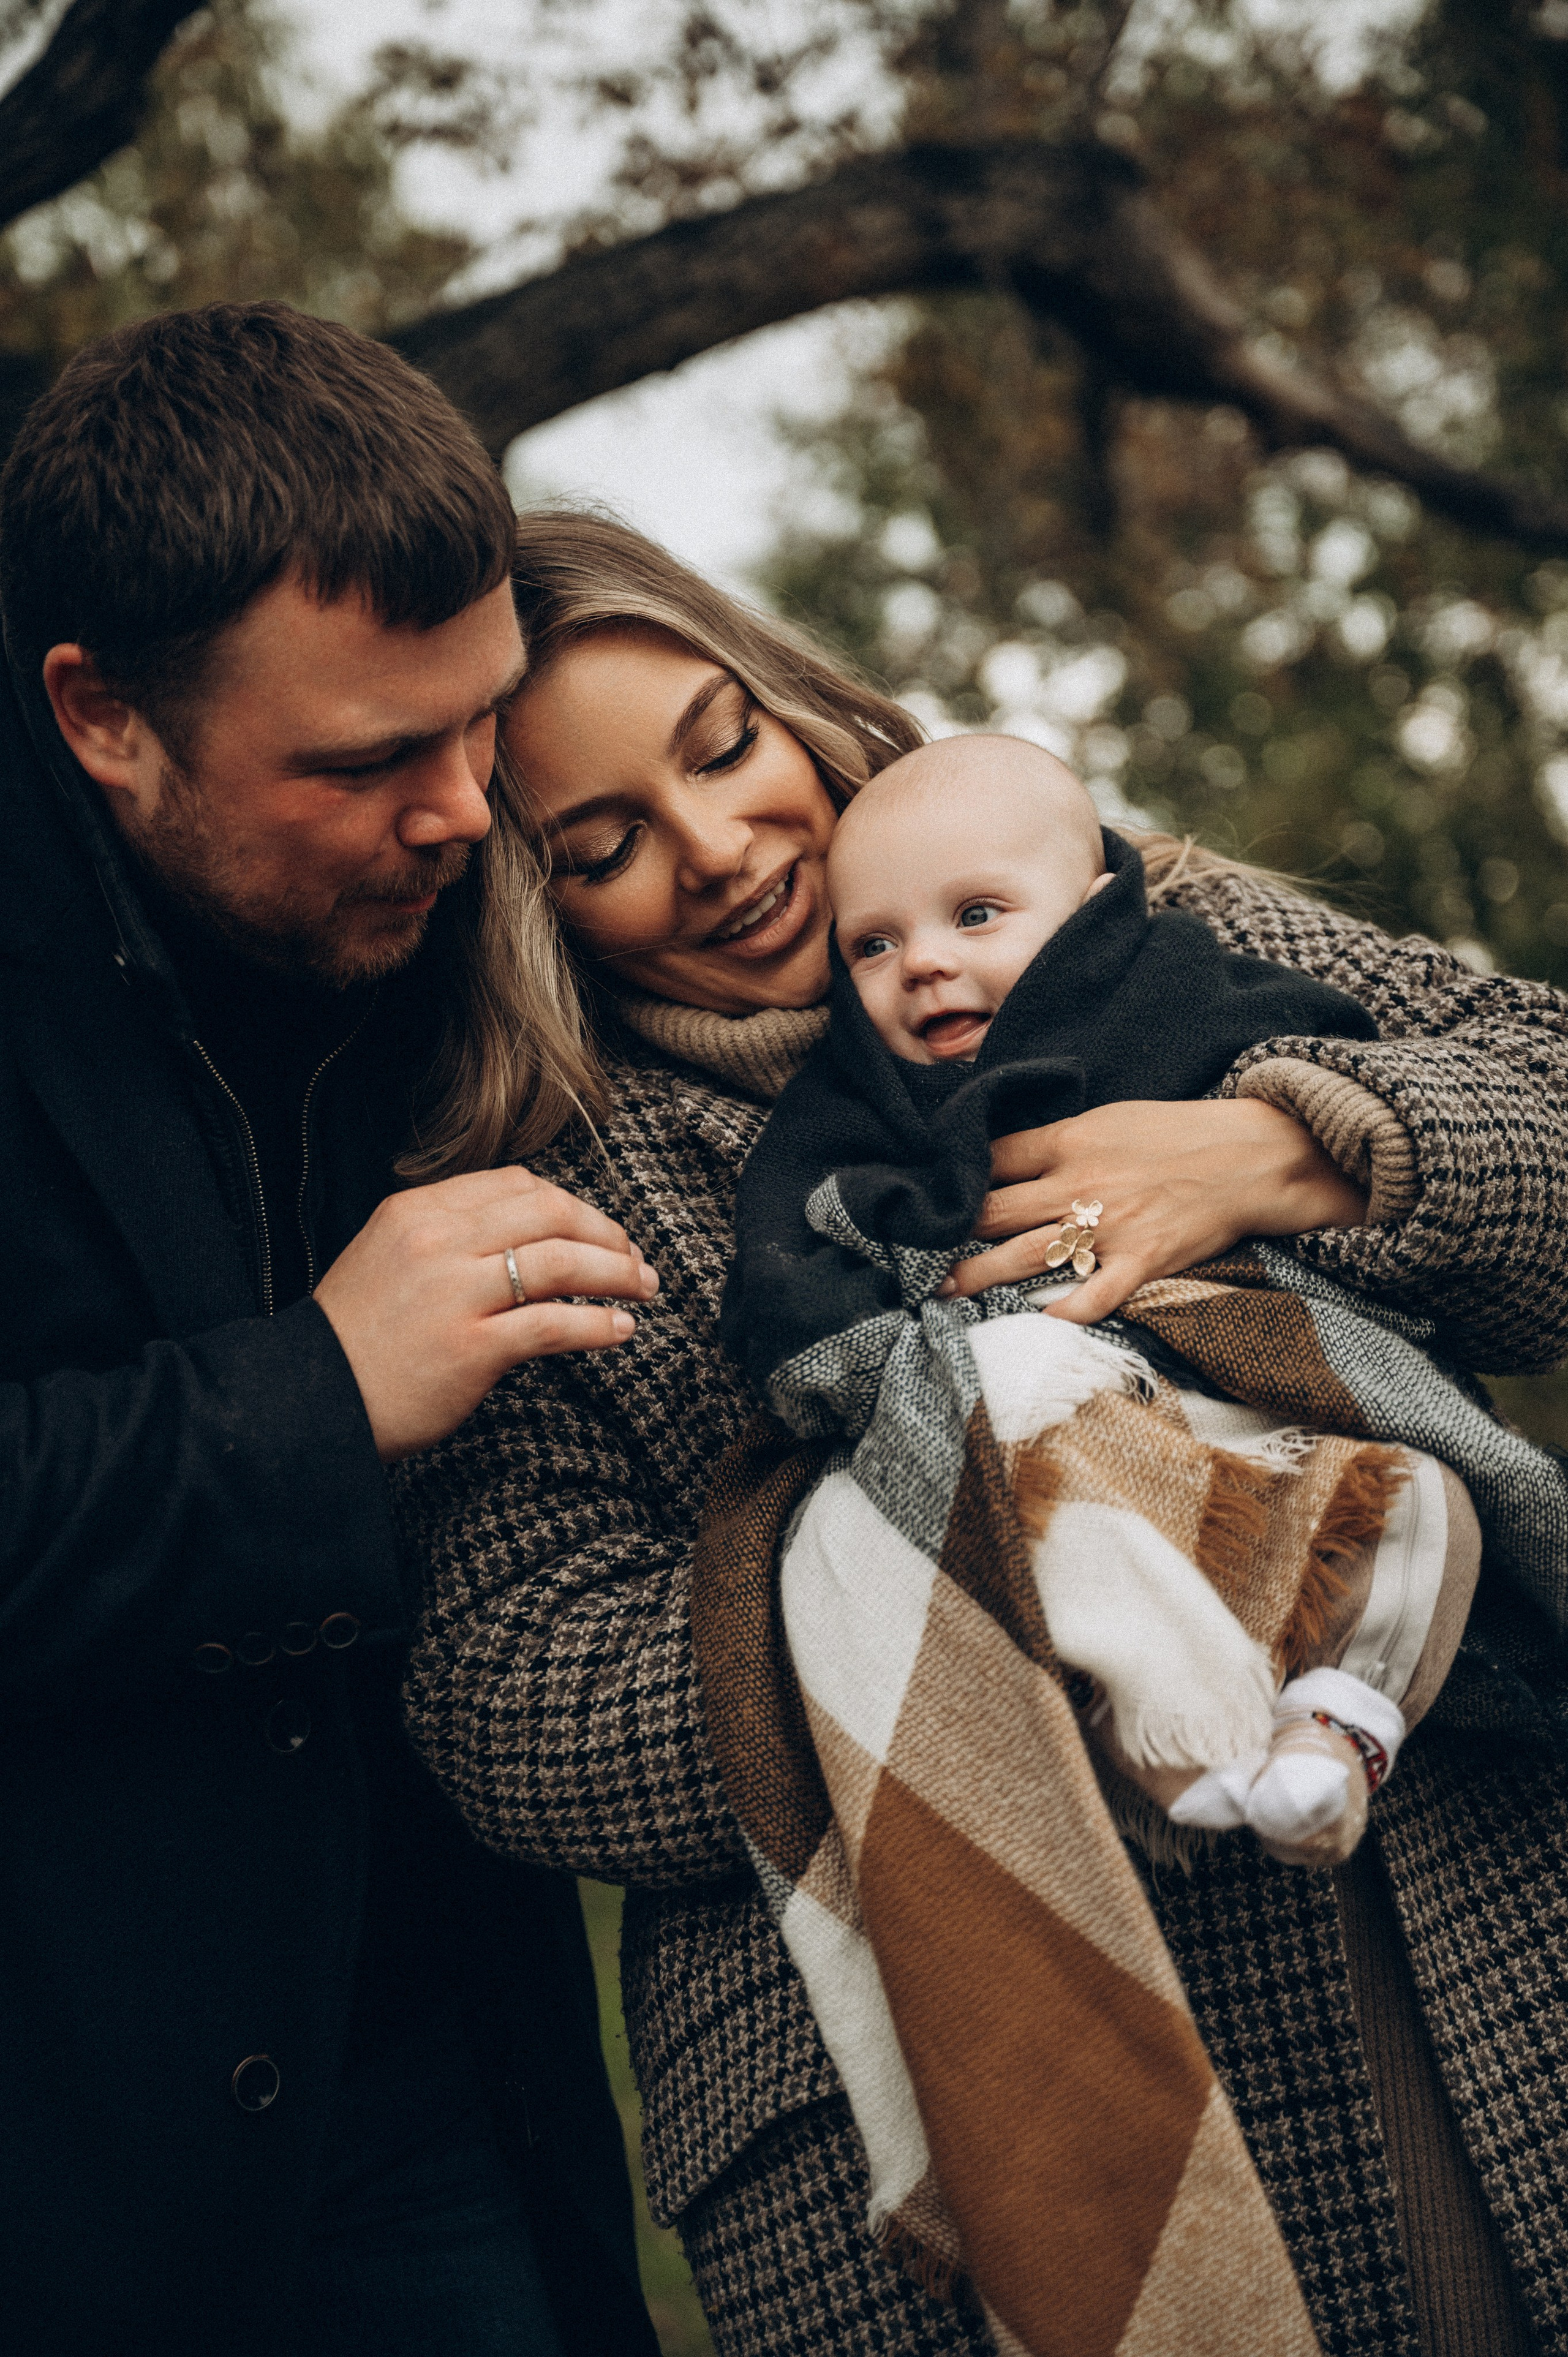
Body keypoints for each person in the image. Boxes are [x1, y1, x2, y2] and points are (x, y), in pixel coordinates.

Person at [399, 508, 1568, 2357]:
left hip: (1435, 1937)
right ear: (525, 902)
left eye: (723, 747)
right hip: (952, 2072)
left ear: (786, 700)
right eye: (605, 845)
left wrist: (1293, 1149)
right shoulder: (539, 1189)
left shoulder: (1139, 923)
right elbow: (509, 1699)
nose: (719, 853)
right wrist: (950, 1551)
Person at [0, 311, 661, 2357]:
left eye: (486, 720)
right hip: (67, 2155)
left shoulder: (467, 872)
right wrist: (318, 1395)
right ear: (106, 718)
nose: (474, 812)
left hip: (448, 2079)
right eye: (375, 756)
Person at [720, 731, 1493, 1866]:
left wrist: (1276, 1138)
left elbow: (1333, 1053)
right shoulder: (857, 1098)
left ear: (1087, 906)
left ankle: (1337, 1729)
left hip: (1260, 1365)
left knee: (1411, 1503)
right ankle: (1186, 1734)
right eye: (873, 944)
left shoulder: (1175, 981)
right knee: (1073, 1521)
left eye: (975, 916)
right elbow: (789, 1258)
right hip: (1080, 1412)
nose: (923, 963)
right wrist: (866, 1360)